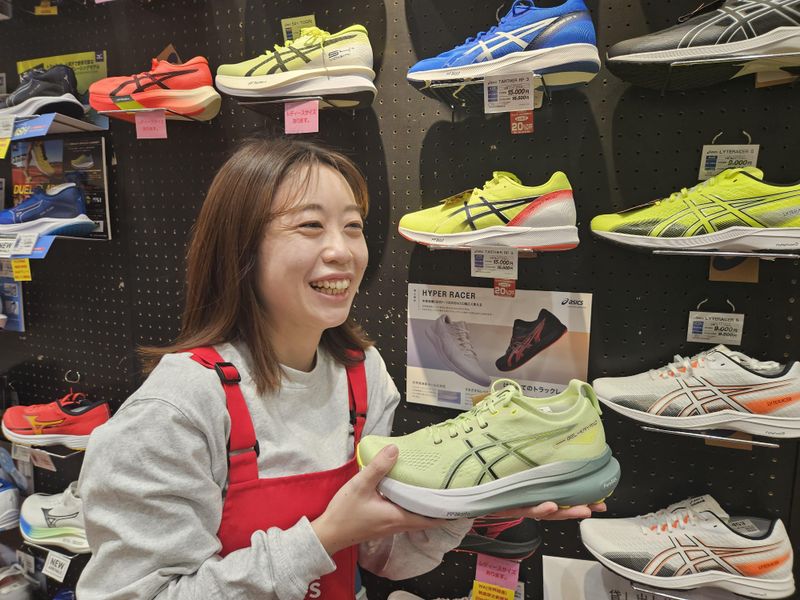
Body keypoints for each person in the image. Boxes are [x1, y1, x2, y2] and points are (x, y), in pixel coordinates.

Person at [77, 137, 605, 599]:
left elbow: (381, 555)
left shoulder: (363, 375)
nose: (343, 251)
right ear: (240, 246)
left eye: (353, 226)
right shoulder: (175, 409)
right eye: (310, 225)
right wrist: (324, 536)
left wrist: (477, 504)